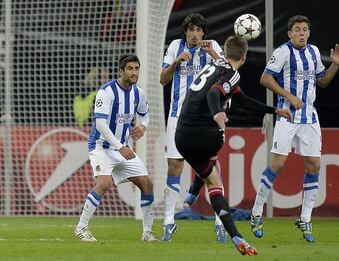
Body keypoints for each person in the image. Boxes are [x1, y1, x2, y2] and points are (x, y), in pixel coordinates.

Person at [175, 35, 291, 256]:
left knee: (209, 172)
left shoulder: (214, 65)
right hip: (204, 135)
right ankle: (235, 234)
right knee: (216, 158)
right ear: (245, 57)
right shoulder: (233, 74)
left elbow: (244, 100)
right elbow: (213, 93)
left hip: (181, 137)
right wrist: (217, 112)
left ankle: (192, 195)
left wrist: (274, 111)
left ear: (225, 52)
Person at [250, 15, 339, 243]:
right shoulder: (283, 52)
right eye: (297, 29)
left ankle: (305, 218)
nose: (302, 33)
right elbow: (265, 78)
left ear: (308, 33)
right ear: (290, 34)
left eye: (305, 29)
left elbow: (322, 82)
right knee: (278, 163)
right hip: (287, 115)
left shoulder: (314, 52)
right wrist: (288, 96)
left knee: (314, 164)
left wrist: (336, 64)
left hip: (309, 117)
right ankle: (255, 213)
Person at [74, 54, 157, 242]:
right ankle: (81, 227)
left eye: (137, 68)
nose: (134, 72)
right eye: (130, 68)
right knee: (104, 184)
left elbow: (145, 115)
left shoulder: (139, 93)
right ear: (121, 71)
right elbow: (101, 125)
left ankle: (147, 232)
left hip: (122, 148)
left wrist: (143, 126)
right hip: (101, 147)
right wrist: (120, 147)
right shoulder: (106, 92)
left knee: (147, 184)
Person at [159, 13, 227, 242]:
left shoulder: (212, 47)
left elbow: (228, 73)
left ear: (203, 33)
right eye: (191, 30)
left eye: (199, 30)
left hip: (205, 118)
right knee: (174, 167)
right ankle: (169, 221)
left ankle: (220, 223)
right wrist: (177, 62)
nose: (195, 34)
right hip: (178, 117)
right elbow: (162, 79)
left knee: (211, 170)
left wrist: (214, 55)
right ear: (185, 32)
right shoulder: (175, 47)